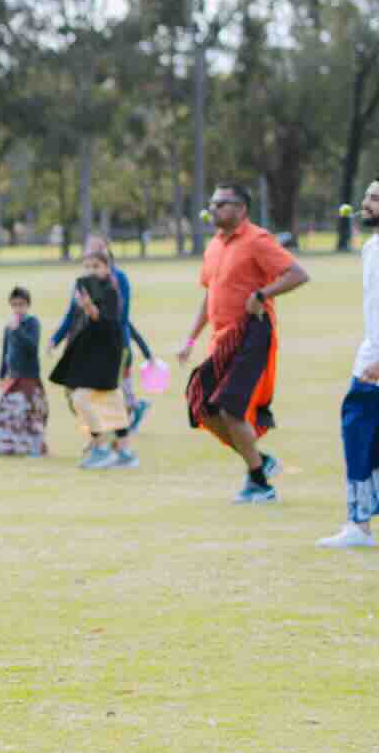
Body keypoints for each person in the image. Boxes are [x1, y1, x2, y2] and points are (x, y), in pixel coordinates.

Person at [178, 182, 310, 504]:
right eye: (213, 203)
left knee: (230, 409)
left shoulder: (257, 240)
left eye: (222, 203)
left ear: (242, 208)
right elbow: (210, 295)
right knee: (201, 405)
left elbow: (297, 274)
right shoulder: (213, 246)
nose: (215, 209)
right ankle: (260, 460)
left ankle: (260, 484)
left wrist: (262, 295)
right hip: (222, 340)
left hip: (252, 334)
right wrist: (190, 338)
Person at [319, 180, 379, 549]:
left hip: (374, 362)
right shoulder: (372, 247)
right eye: (367, 196)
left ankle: (359, 525)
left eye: (376, 198)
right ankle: (360, 522)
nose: (366, 203)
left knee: (358, 435)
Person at [53, 236, 156, 431]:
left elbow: (120, 318)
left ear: (107, 255)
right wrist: (56, 339)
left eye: (98, 251)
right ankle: (111, 430)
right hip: (86, 346)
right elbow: (72, 315)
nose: (92, 260)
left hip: (111, 345)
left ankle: (112, 437)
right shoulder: (82, 283)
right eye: (88, 256)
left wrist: (124, 345)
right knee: (80, 395)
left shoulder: (116, 282)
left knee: (108, 394)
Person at [49, 249, 137, 469]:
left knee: (82, 397)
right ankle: (125, 452)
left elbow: (107, 321)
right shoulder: (83, 290)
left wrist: (88, 306)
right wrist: (58, 339)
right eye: (87, 266)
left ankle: (101, 448)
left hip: (108, 352)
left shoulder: (111, 290)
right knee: (112, 401)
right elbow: (75, 319)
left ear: (107, 268)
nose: (91, 271)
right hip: (92, 352)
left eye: (96, 266)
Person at [0, 286, 48, 457]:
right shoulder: (9, 326)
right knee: (6, 412)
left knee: (31, 413)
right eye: (14, 305)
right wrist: (1, 375)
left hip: (28, 375)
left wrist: (19, 330)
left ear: (28, 305)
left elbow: (32, 347)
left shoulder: (32, 323)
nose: (18, 309)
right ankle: (7, 445)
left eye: (21, 305)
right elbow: (5, 352)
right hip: (12, 376)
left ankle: (36, 446)